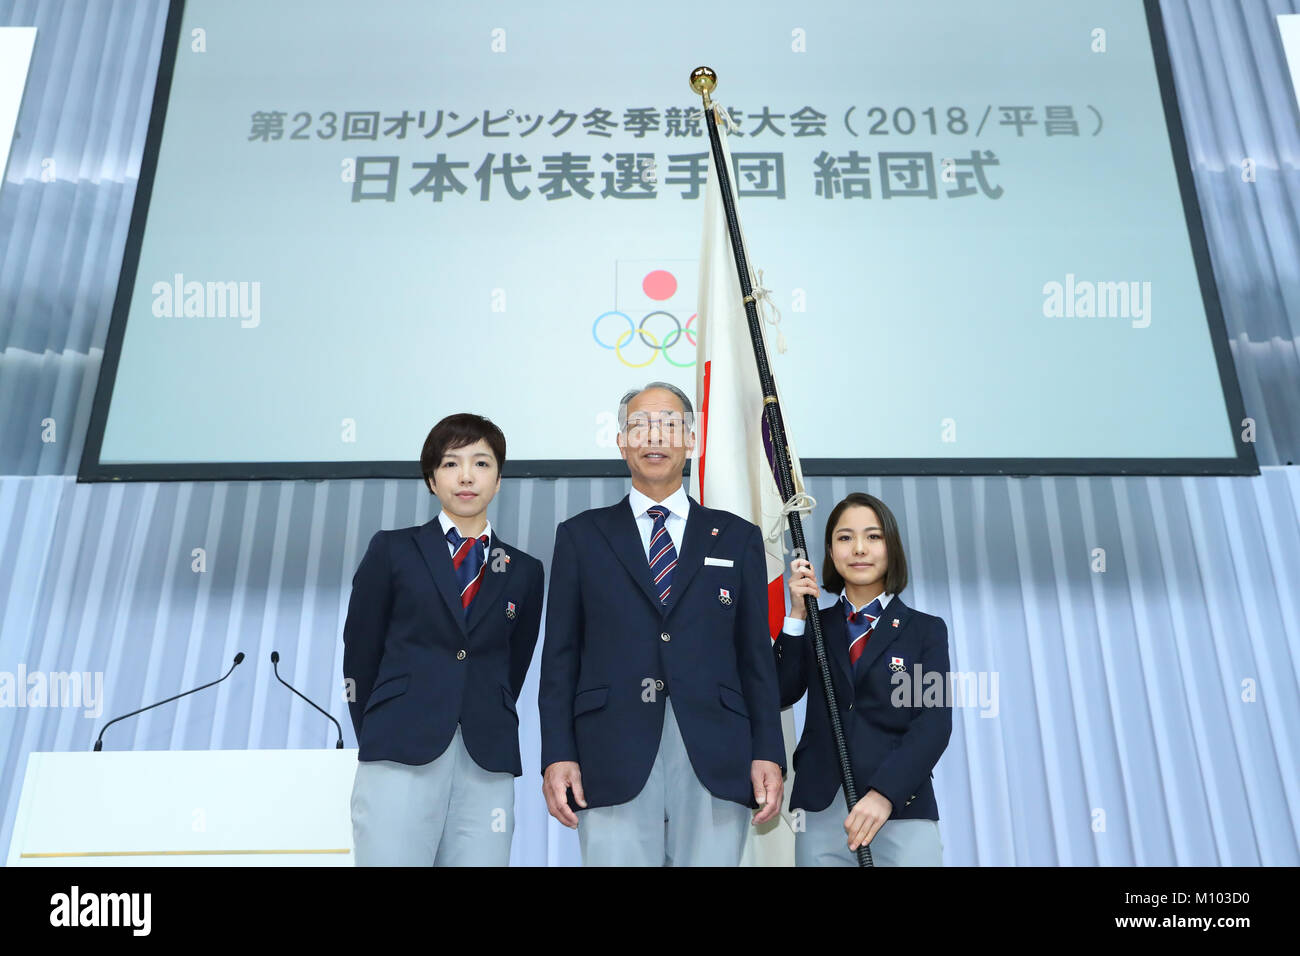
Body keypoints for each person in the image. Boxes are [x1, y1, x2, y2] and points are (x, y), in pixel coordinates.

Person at [538, 381, 785, 866]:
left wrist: (768, 752)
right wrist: (557, 754)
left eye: (670, 424)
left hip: (716, 749)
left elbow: (755, 658)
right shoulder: (581, 537)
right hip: (609, 750)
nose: (655, 436)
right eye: (640, 424)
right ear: (621, 441)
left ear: (691, 440)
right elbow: (559, 660)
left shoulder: (737, 538)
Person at [342, 413, 544, 866]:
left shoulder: (525, 571)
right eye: (451, 464)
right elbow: (360, 653)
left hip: (486, 758)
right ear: (432, 479)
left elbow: (513, 666)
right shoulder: (393, 550)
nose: (467, 476)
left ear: (498, 479)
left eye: (482, 463)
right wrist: (382, 725)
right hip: (399, 750)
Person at [775, 492, 951, 866]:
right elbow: (779, 692)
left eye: (873, 537)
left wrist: (885, 794)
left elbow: (935, 723)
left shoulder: (926, 631)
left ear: (891, 547)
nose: (858, 548)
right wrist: (795, 616)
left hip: (900, 807)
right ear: (829, 550)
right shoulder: (815, 627)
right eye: (844, 537)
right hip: (821, 809)